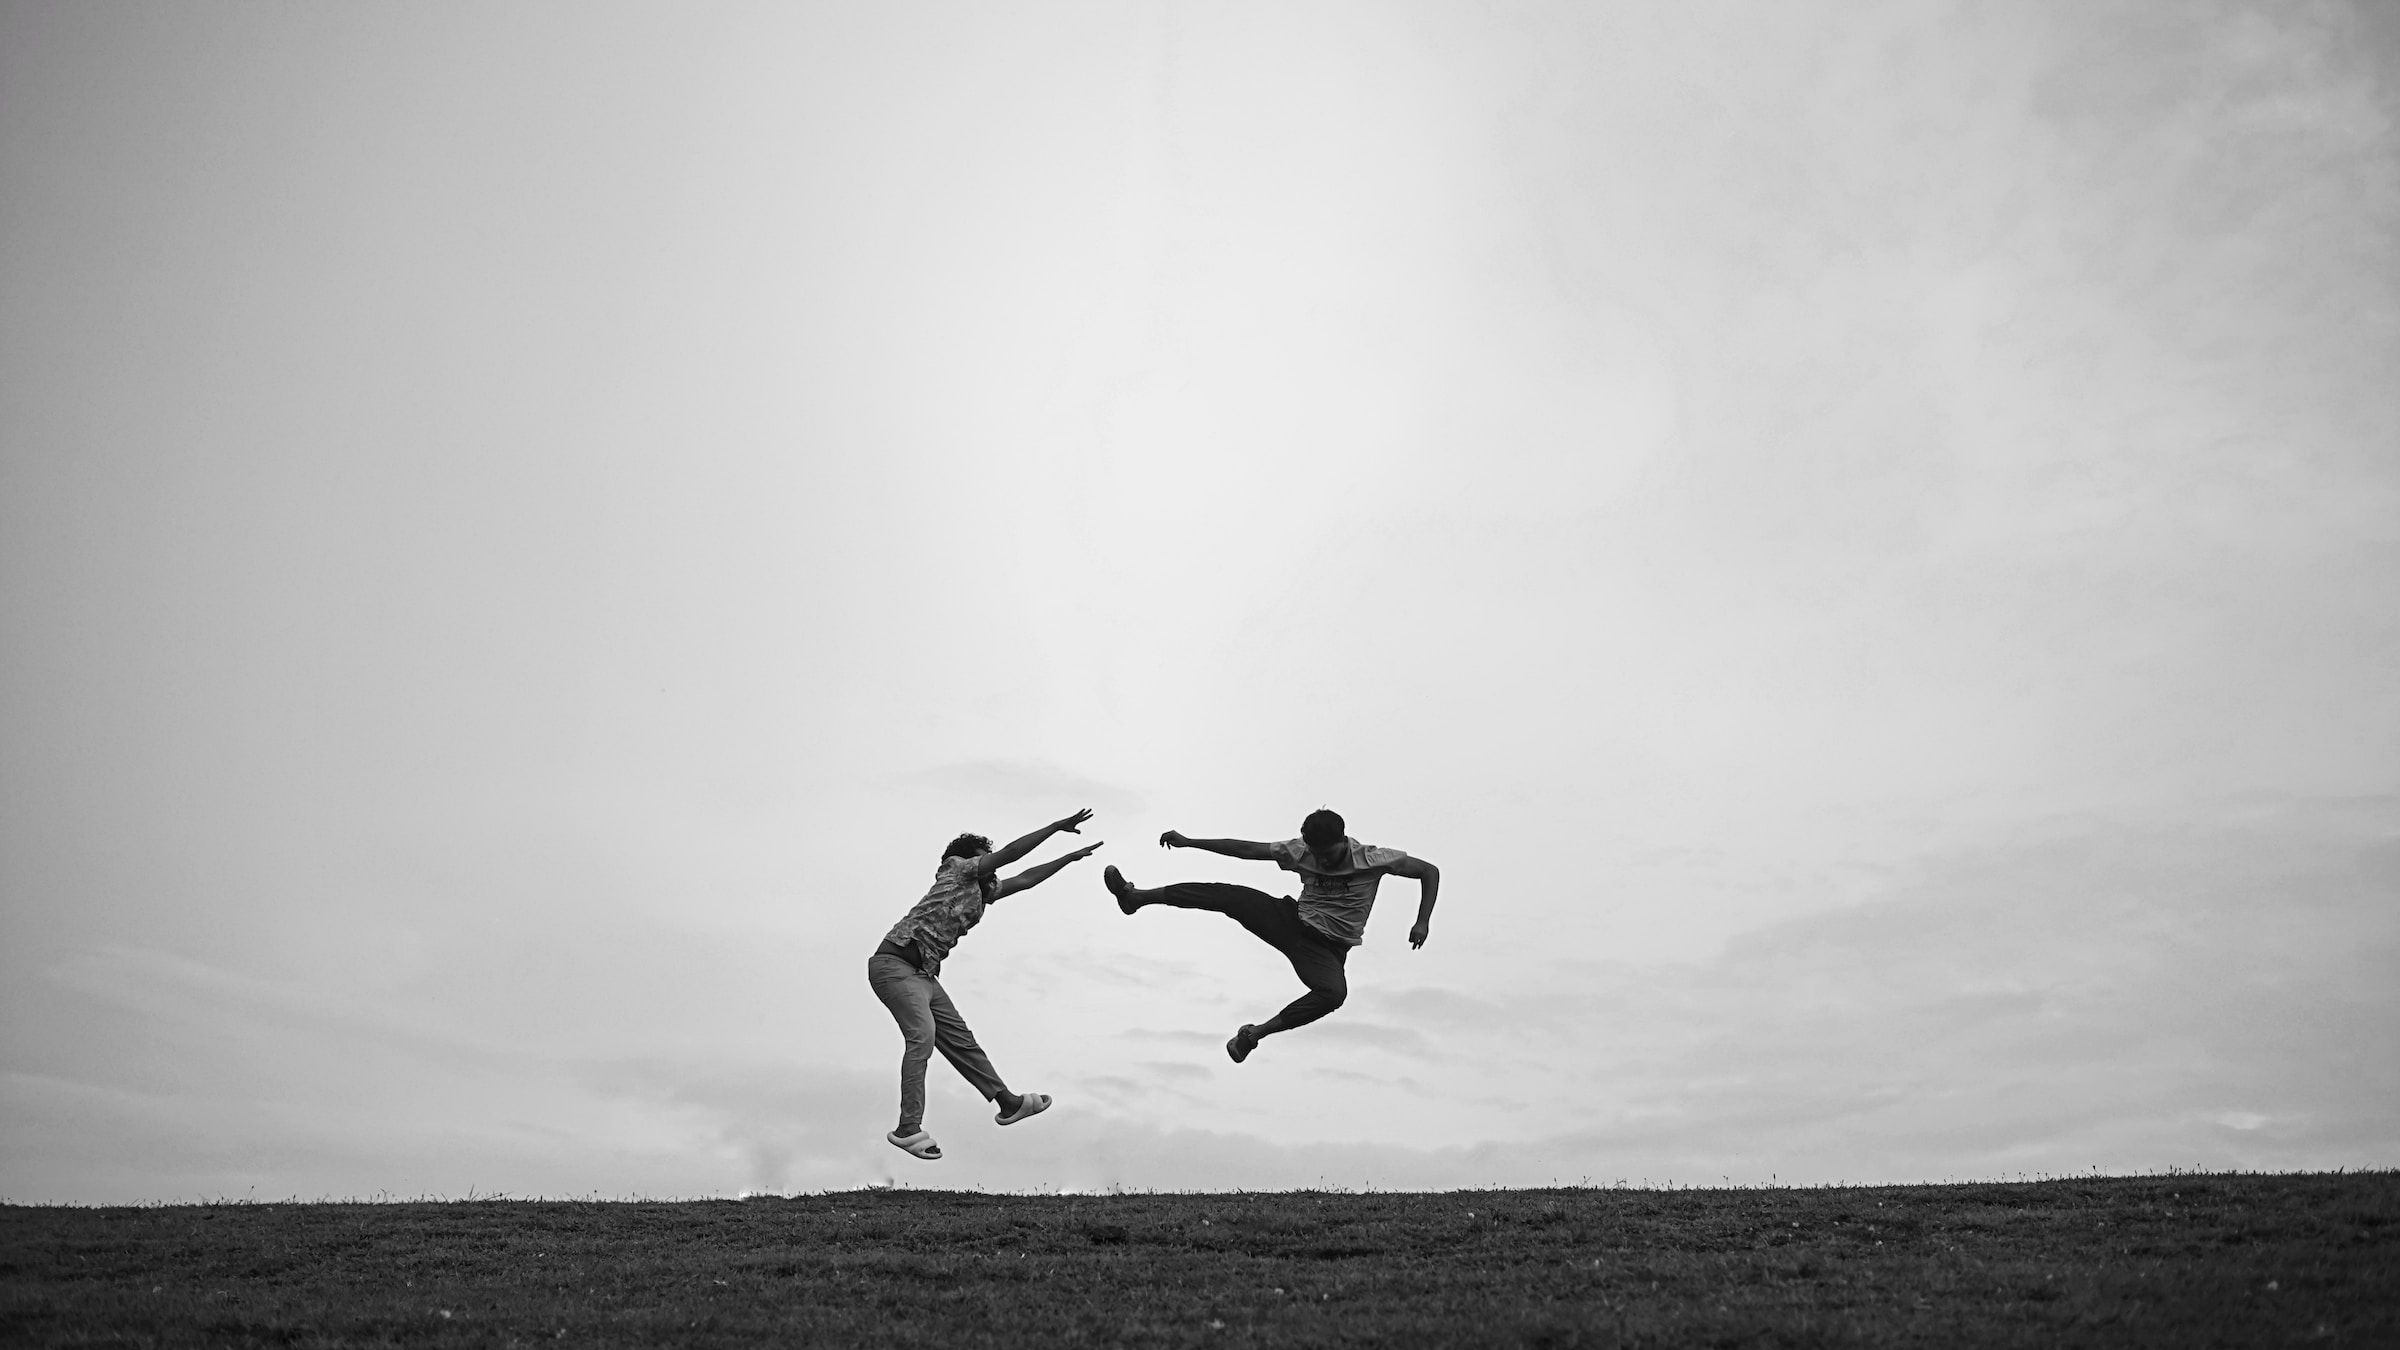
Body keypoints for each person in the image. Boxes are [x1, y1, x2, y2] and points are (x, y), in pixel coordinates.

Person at [1102, 808, 1439, 1064]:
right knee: (1226, 895)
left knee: (1334, 994)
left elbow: (1428, 871)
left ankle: (1253, 1035)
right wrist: (1191, 842)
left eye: (1328, 855)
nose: (1321, 861)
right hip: (1290, 922)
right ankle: (1137, 898)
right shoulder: (1300, 851)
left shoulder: (1374, 859)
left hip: (1326, 950)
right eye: (1316, 855)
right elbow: (1246, 849)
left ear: (1343, 841)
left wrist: (1422, 921)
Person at [869, 808, 1099, 1160]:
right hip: (895, 965)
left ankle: (1008, 1103)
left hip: (925, 977)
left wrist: (1067, 858)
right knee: (922, 1036)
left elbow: (1025, 879)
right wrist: (1054, 827)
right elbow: (1010, 855)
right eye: (985, 861)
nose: (992, 869)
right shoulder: (957, 869)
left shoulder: (980, 892)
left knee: (963, 1042)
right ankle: (908, 1128)